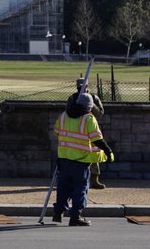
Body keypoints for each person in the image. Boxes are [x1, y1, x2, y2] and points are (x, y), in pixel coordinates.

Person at [52, 93, 114, 226]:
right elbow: (97, 139)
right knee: (80, 188)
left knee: (63, 187)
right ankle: (75, 217)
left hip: (63, 159)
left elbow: (56, 132)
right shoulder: (88, 119)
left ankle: (58, 212)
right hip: (80, 160)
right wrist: (108, 150)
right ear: (89, 106)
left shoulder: (63, 115)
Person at [67, 78, 106, 189]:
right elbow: (69, 112)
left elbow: (100, 114)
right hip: (77, 131)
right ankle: (73, 180)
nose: (82, 89)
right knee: (75, 157)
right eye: (79, 87)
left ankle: (94, 180)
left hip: (91, 130)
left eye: (83, 87)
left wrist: (91, 104)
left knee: (93, 155)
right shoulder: (73, 98)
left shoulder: (94, 98)